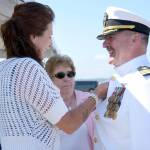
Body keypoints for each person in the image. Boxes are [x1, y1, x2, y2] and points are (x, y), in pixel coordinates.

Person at [0, 2, 106, 150]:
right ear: (34, 36)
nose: (50, 43)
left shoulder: (3, 68)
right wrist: (96, 94)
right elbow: (68, 124)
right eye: (49, 36)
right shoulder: (28, 67)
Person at [94, 6, 150, 150]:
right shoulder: (122, 80)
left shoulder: (144, 85)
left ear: (134, 39)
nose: (104, 44)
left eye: (110, 37)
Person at [45, 54, 96, 150]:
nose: (66, 78)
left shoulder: (89, 100)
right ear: (49, 80)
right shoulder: (44, 104)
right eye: (60, 75)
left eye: (70, 74)